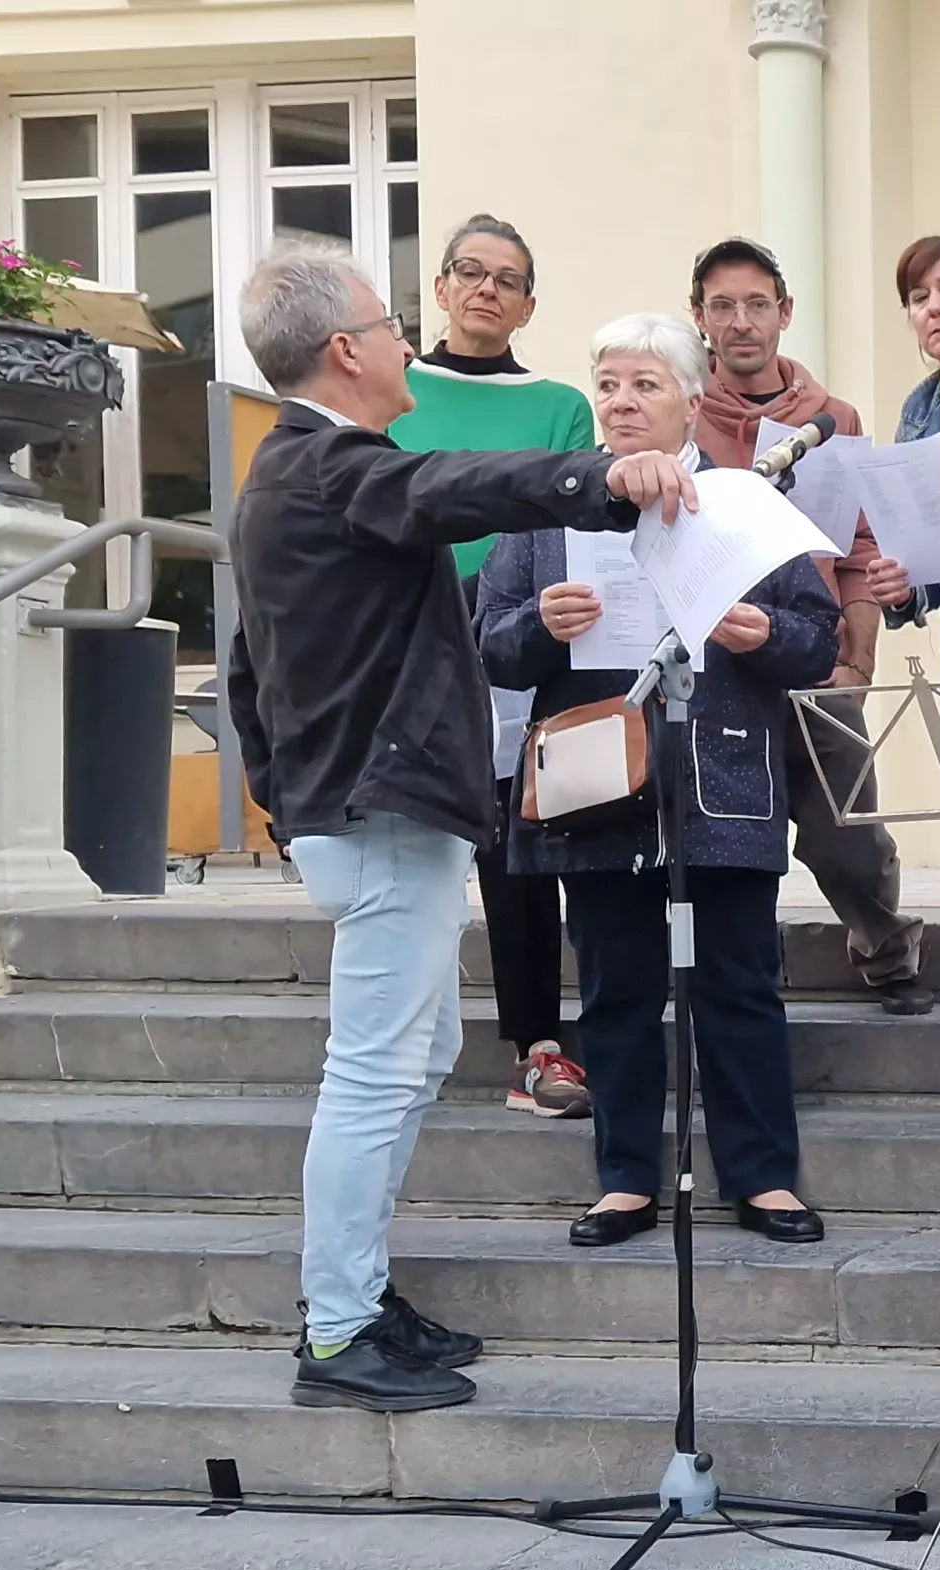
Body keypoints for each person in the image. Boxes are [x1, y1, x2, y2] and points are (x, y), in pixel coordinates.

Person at [223, 243, 692, 1413]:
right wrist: (602, 476)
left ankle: (363, 1298)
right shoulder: (330, 464)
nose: (403, 348)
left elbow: (246, 671)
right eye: (387, 329)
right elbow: (448, 490)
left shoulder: (298, 475)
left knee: (414, 1058)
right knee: (375, 1074)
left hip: (372, 810)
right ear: (345, 351)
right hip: (380, 814)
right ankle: (336, 1332)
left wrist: (287, 798)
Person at [477, 313, 839, 1251]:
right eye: (608, 384)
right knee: (615, 988)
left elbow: (818, 640)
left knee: (740, 985)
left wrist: (767, 637)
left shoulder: (745, 502)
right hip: (596, 777)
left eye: (644, 384)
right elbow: (492, 645)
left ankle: (762, 1178)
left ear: (688, 398)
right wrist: (538, 625)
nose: (623, 401)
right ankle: (628, 1177)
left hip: (721, 776)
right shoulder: (547, 506)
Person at [383, 213, 596, 1118]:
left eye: (506, 279)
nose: (486, 289)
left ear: (528, 304)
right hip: (406, 629)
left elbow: (579, 520)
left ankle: (539, 1043)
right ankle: (396, 1035)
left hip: (517, 628)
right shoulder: (393, 391)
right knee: (412, 840)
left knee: (518, 847)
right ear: (439, 288)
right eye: (469, 272)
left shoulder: (559, 406)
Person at [687, 237, 932, 1015]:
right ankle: (714, 980)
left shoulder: (834, 419)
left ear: (785, 313)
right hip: (716, 667)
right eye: (722, 306)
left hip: (813, 660)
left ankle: (887, 953)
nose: (741, 322)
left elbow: (859, 547)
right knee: (718, 837)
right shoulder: (683, 416)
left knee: (849, 837)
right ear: (699, 318)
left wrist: (856, 662)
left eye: (757, 304)